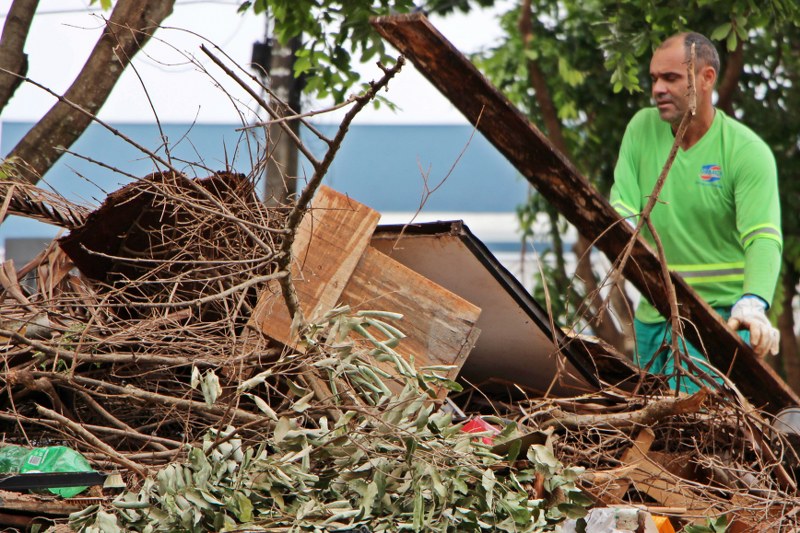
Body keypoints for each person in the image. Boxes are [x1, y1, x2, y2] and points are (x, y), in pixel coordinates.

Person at [609, 32, 782, 393]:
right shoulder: (641, 128)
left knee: (691, 434)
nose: (657, 88)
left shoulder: (747, 151)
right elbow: (621, 211)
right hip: (652, 314)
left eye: (670, 78)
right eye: (654, 77)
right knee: (644, 430)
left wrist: (753, 303)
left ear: (706, 79)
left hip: (715, 322)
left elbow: (762, 236)